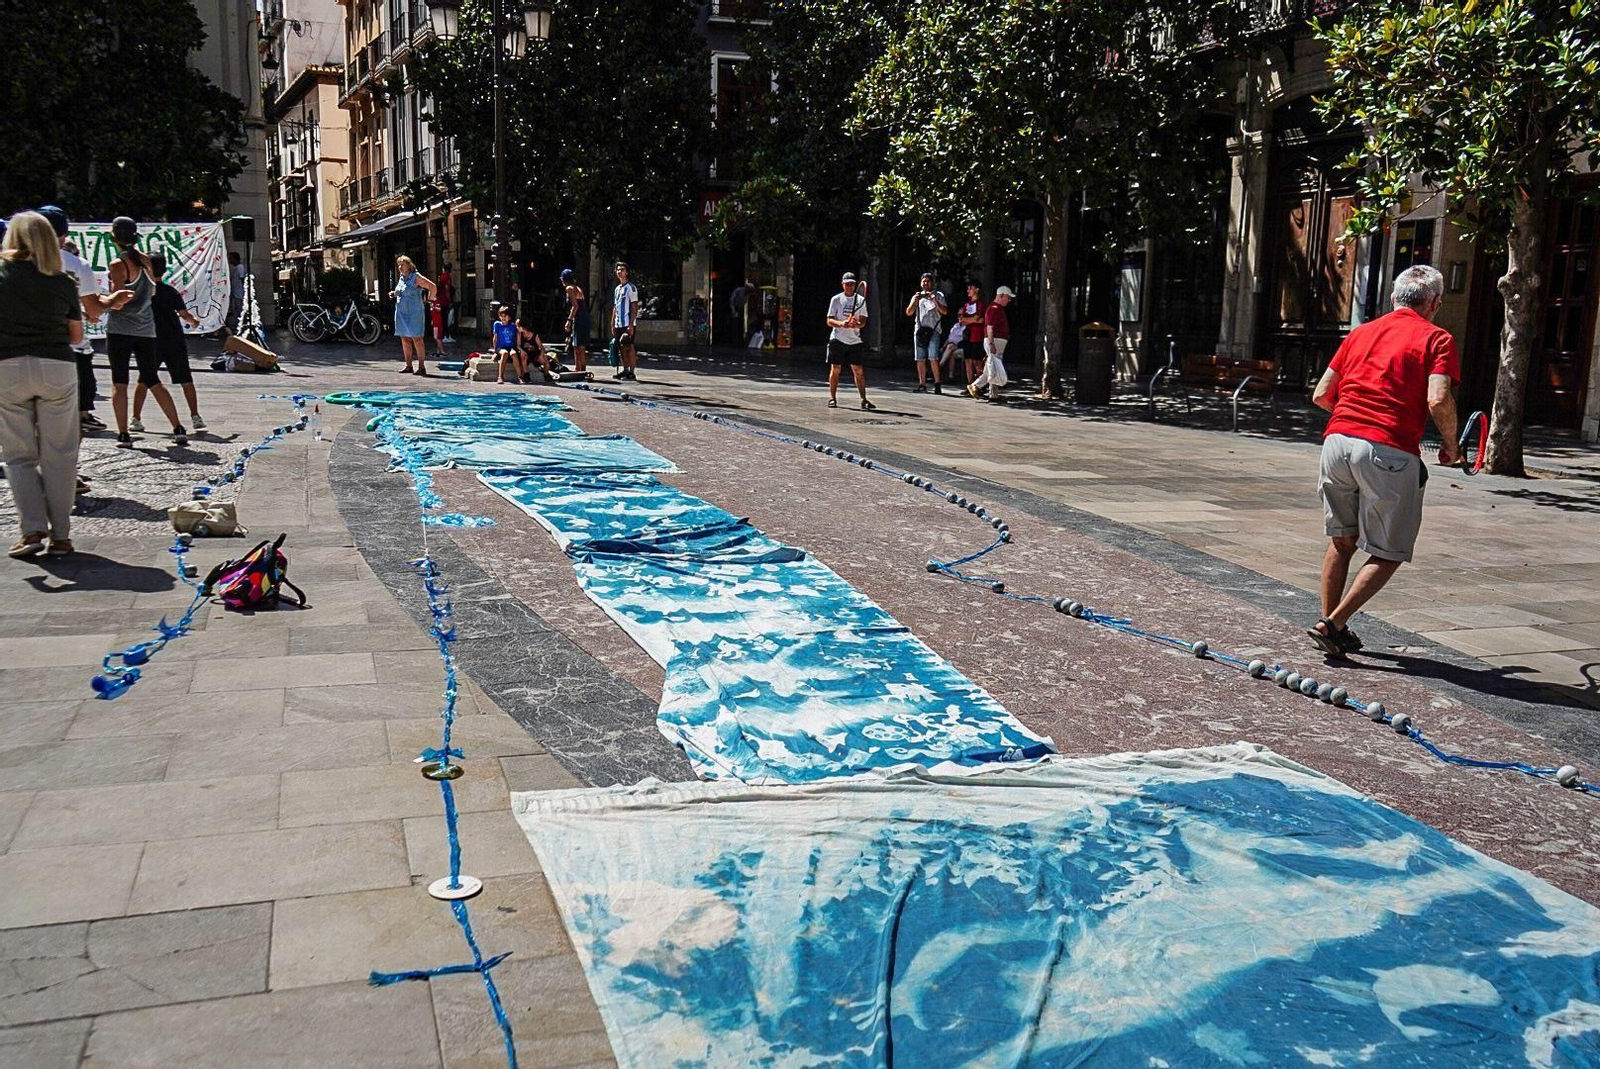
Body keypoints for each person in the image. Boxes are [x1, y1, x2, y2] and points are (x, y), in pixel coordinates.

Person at [1307, 264, 1460, 656]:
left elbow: (1323, 395)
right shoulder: (1437, 338)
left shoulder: (1360, 332)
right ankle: (1333, 623)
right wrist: (1452, 445)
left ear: (1393, 299)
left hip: (1337, 441)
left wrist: (1354, 420)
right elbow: (1438, 398)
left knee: (1342, 540)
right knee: (1389, 550)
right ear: (1435, 303)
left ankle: (1333, 630)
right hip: (1388, 449)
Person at [0, 212, 85, 557]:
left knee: (18, 457)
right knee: (60, 455)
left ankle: (32, 531)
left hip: (8, 367)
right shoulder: (63, 281)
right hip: (56, 367)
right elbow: (77, 337)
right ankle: (61, 536)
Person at [35, 205, 127, 433]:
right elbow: (93, 310)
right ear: (64, 234)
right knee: (60, 421)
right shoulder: (76, 266)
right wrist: (113, 299)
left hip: (17, 351)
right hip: (61, 348)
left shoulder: (12, 262)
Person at [105, 217, 187, 447]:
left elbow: (119, 300)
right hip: (146, 328)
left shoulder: (117, 264)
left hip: (121, 328)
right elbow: (151, 293)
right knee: (152, 379)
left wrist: (102, 301)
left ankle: (123, 433)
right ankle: (178, 427)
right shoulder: (146, 261)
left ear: (114, 237)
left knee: (119, 382)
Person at [131, 253, 205, 432]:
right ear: (164, 271)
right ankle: (195, 416)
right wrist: (194, 322)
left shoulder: (141, 291)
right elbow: (184, 314)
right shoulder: (170, 291)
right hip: (173, 340)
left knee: (143, 380)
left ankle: (135, 418)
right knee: (186, 379)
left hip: (150, 342)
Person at [825, 271, 874, 410]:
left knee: (858, 370)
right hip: (838, 339)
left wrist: (857, 324)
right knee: (836, 369)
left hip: (854, 340)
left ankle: (864, 399)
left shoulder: (860, 300)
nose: (850, 287)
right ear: (842, 285)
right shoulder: (836, 299)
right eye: (847, 284)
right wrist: (841, 324)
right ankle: (832, 398)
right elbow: (829, 320)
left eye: (852, 284)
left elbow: (863, 320)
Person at [391, 255, 437, 376]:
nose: (400, 267)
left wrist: (429, 300)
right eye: (398, 265)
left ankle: (421, 367)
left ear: (409, 266)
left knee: (417, 339)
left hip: (414, 313)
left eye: (402, 264)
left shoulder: (416, 277)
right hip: (401, 312)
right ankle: (408, 365)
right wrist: (394, 293)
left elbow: (433, 287)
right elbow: (402, 291)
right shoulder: (401, 278)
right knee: (405, 338)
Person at [968, 285, 1013, 402]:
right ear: (1001, 295)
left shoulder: (995, 308)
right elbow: (990, 328)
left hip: (995, 341)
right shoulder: (994, 308)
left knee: (992, 368)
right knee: (993, 368)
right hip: (995, 341)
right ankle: (990, 393)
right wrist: (991, 343)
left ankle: (978, 387)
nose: (1009, 300)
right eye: (1008, 297)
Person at [905, 271, 946, 394]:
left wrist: (935, 300)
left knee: (933, 357)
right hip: (920, 330)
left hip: (934, 330)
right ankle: (922, 384)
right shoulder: (917, 296)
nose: (925, 284)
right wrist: (915, 301)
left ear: (932, 283)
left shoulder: (938, 295)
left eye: (928, 281)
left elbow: (944, 311)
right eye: (923, 281)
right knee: (920, 358)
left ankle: (937, 383)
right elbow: (908, 312)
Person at [610, 261, 639, 381]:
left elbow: (634, 306)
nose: (619, 272)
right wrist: (612, 323)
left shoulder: (631, 288)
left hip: (627, 323)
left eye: (622, 270)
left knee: (629, 346)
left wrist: (631, 324)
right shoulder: (617, 289)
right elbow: (615, 307)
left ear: (626, 272)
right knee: (621, 347)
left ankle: (632, 372)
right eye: (618, 270)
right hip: (618, 323)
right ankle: (625, 369)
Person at [957, 283, 988, 385]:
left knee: (977, 361)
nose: (968, 290)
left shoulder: (981, 304)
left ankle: (980, 385)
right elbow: (961, 320)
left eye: (971, 288)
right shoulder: (967, 305)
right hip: (968, 335)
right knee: (968, 361)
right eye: (968, 288)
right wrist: (972, 319)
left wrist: (968, 319)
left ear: (977, 289)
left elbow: (980, 319)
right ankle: (970, 385)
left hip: (977, 336)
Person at [561, 268, 588, 373]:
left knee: (577, 345)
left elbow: (575, 306)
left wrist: (569, 320)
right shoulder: (578, 288)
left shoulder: (569, 288)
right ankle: (581, 368)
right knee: (579, 345)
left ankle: (579, 369)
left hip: (579, 316)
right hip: (584, 316)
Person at [518, 316, 556, 384]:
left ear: (523, 327)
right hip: (526, 354)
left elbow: (541, 347)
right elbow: (518, 345)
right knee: (523, 356)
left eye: (518, 326)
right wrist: (522, 350)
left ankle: (546, 374)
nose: (517, 328)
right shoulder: (519, 334)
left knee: (545, 361)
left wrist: (541, 355)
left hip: (534, 353)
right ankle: (526, 375)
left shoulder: (535, 336)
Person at [491, 306, 523, 384]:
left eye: (505, 316)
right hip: (501, 348)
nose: (503, 318)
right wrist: (495, 351)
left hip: (511, 347)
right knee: (504, 353)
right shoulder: (497, 324)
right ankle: (500, 376)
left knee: (514, 354)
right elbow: (495, 338)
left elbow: (518, 335)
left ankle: (520, 376)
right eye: (501, 316)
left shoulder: (513, 326)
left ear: (509, 317)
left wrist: (518, 346)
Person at [226, 251, 245, 335]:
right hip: (235, 294)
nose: (230, 261)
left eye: (231, 259)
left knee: (239, 311)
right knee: (235, 311)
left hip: (239, 295)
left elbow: (242, 279)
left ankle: (240, 328)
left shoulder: (240, 267)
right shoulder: (236, 268)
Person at [436, 265, 456, 343]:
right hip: (445, 301)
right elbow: (447, 289)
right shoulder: (446, 277)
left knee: (445, 319)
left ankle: (446, 335)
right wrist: (449, 300)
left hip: (441, 300)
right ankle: (446, 336)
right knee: (446, 319)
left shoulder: (440, 277)